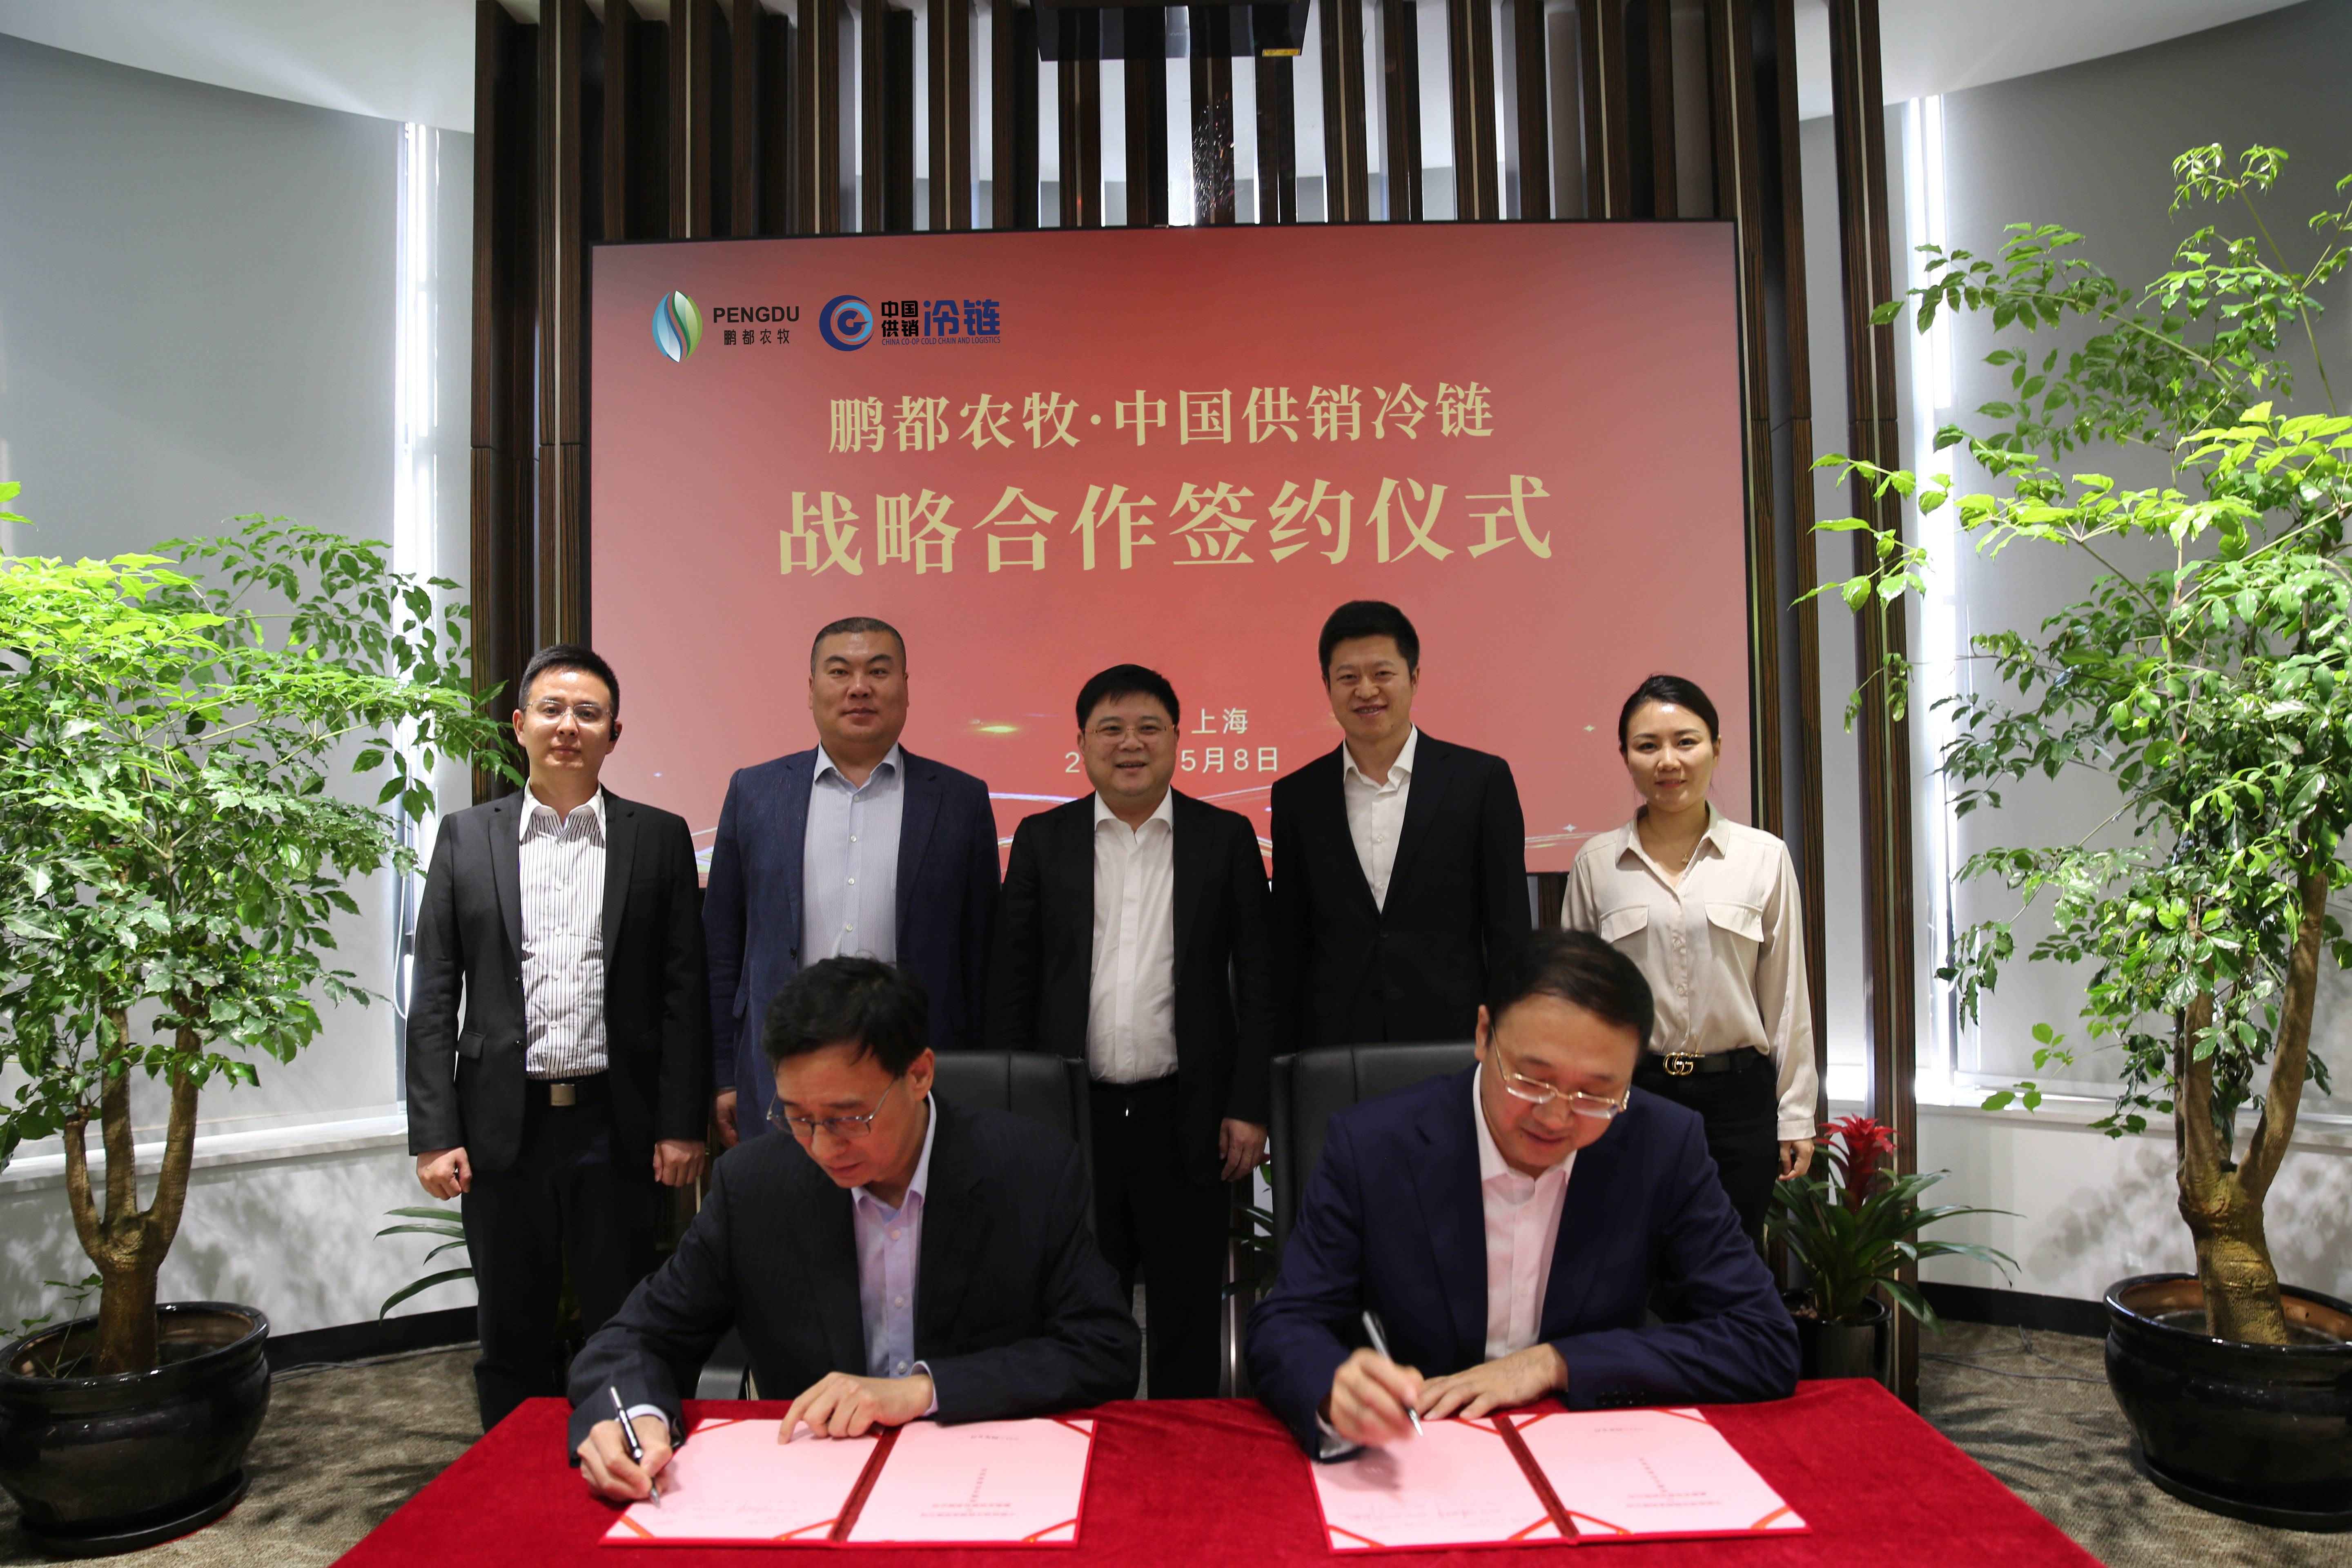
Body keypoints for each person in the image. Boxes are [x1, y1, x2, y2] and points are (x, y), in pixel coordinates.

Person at [569, 957, 1141, 1501]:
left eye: (849, 1119)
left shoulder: (1028, 1171)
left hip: (984, 1479)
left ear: (919, 1075)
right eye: (798, 1118)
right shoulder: (754, 1188)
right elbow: (633, 1339)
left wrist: (925, 1390)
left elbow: (1104, 1349)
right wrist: (634, 1418)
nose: (822, 1147)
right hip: (814, 1490)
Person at [1245, 929, 1797, 1457]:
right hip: (1415, 1453)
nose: (1555, 1117)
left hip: (1588, 1459)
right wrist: (1334, 1391)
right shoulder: (1373, 1146)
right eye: (1531, 1081)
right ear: (1484, 1035)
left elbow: (1763, 1339)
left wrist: (1556, 1363)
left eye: (1596, 1094)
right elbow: (1287, 1323)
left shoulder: (1663, 1145)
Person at [406, 644, 710, 1432]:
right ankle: (513, 1474)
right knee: (510, 1327)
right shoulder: (466, 838)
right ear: (519, 725)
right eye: (551, 710)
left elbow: (685, 993)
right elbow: (434, 995)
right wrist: (434, 1135)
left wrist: (683, 1124)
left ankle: (627, 1450)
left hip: (618, 1124)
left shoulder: (659, 838)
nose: (568, 726)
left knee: (625, 1317)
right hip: (502, 1128)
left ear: (615, 732)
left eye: (587, 713)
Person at [988, 664, 1277, 1399]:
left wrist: (1249, 1105)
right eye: (1111, 729)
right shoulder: (1044, 839)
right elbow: (1012, 984)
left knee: (1187, 1309)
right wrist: (1018, 1111)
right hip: (1072, 1118)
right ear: (1081, 743)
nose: (1130, 744)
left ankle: (1186, 1449)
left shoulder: (1224, 838)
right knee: (1081, 1306)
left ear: (1177, 739)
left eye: (1149, 728)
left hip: (1189, 1112)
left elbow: (1260, 980)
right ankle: (1089, 1444)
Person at [704, 616, 1000, 1148]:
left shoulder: (960, 800)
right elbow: (722, 945)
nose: (859, 687)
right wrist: (724, 1074)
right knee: (786, 1200)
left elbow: (982, 957)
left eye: (878, 672)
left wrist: (983, 1073)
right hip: (783, 1072)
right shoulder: (755, 792)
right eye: (840, 671)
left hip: (913, 1071)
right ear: (811, 689)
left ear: (906, 688)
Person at [1562, 675, 1818, 1241]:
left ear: (1716, 748)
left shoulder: (1764, 858)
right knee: (1635, 1260)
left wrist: (1796, 1114)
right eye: (1647, 745)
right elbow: (1578, 1005)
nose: (1668, 761)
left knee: (1729, 1260)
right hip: (1635, 1095)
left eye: (1686, 741)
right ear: (1625, 756)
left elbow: (1786, 997)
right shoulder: (1596, 864)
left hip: (1738, 1099)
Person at [1269, 600, 1530, 1049]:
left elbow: (1509, 931)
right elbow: (1290, 942)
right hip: (1336, 1048)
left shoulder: (1480, 781)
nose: (1366, 690)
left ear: (1414, 678)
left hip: (1454, 1041)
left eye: (1382, 673)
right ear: (1327, 686)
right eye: (1348, 677)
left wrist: (1510, 1039)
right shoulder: (1297, 796)